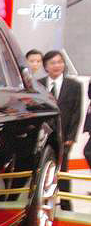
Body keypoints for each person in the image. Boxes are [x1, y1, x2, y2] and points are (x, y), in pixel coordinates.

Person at [38, 50, 81, 211]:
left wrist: (71, 136)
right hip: (44, 135)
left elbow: (76, 112)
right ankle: (43, 203)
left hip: (64, 136)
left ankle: (66, 204)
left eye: (60, 62)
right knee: (44, 171)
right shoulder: (39, 85)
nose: (57, 65)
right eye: (53, 63)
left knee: (63, 171)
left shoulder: (74, 85)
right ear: (46, 66)